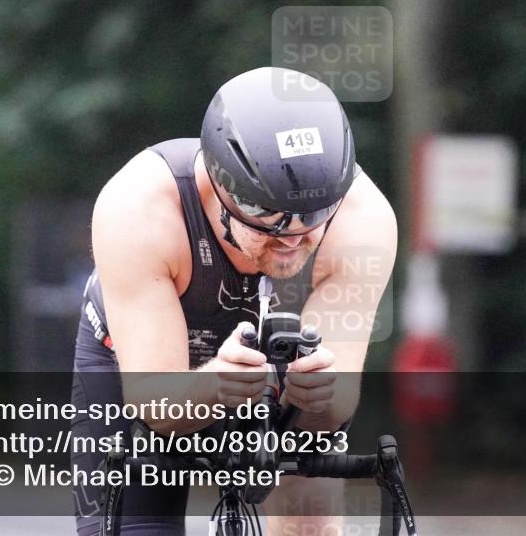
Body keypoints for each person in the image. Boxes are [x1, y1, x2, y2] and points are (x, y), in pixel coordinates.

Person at [71, 67, 397, 535]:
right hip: (147, 373)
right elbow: (154, 402)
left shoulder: (363, 220)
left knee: (311, 523)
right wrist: (218, 386)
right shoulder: (140, 207)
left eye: (314, 217)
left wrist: (317, 392)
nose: (292, 238)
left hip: (279, 378)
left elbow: (332, 407)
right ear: (218, 191)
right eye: (268, 218)